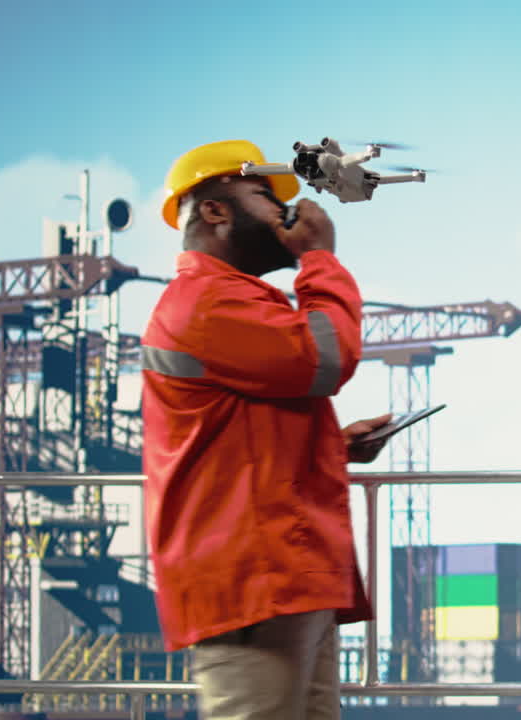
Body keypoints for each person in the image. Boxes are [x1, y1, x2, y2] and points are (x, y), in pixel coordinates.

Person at [140, 139, 391, 720]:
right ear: (215, 211)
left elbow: (237, 436)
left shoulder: (236, 301)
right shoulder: (206, 302)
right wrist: (320, 259)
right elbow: (326, 358)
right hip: (255, 582)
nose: (284, 211)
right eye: (262, 195)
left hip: (286, 578)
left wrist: (332, 446)